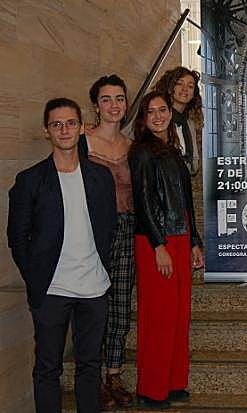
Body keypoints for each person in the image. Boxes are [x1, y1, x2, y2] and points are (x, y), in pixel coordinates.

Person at [7, 98, 117, 413]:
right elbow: (17, 237)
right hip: (52, 290)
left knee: (90, 366)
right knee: (47, 369)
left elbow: (108, 226)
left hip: (94, 288)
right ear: (47, 131)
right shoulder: (30, 180)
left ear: (81, 128)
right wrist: (36, 276)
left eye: (70, 123)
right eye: (57, 124)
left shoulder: (101, 177)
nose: (64, 130)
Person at [129, 90, 204, 408]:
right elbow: (143, 201)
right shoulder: (142, 152)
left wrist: (194, 241)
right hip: (156, 241)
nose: (158, 116)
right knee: (158, 316)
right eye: (151, 112)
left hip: (179, 235)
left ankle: (173, 382)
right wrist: (158, 245)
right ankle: (151, 388)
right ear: (143, 118)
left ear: (170, 114)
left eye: (162, 110)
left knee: (178, 315)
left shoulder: (172, 151)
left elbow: (185, 202)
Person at [80, 74, 135, 410]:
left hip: (127, 228)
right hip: (92, 231)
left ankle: (114, 374)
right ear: (96, 106)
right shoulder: (82, 141)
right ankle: (93, 377)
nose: (114, 105)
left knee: (120, 304)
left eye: (119, 98)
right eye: (106, 99)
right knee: (94, 304)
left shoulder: (132, 146)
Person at [152, 66, 203, 175]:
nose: (185, 89)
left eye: (190, 86)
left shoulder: (191, 122)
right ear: (170, 88)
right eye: (180, 83)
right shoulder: (159, 120)